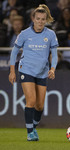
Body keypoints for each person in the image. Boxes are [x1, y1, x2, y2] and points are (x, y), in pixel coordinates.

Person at [8, 4, 58, 141]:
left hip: (42, 72)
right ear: (33, 19)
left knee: (40, 105)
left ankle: (33, 128)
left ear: (46, 19)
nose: (40, 21)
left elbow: (55, 54)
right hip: (26, 70)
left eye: (43, 19)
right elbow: (14, 53)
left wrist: (52, 69)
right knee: (31, 100)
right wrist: (12, 71)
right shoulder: (24, 34)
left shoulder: (50, 34)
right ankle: (30, 133)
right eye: (38, 19)